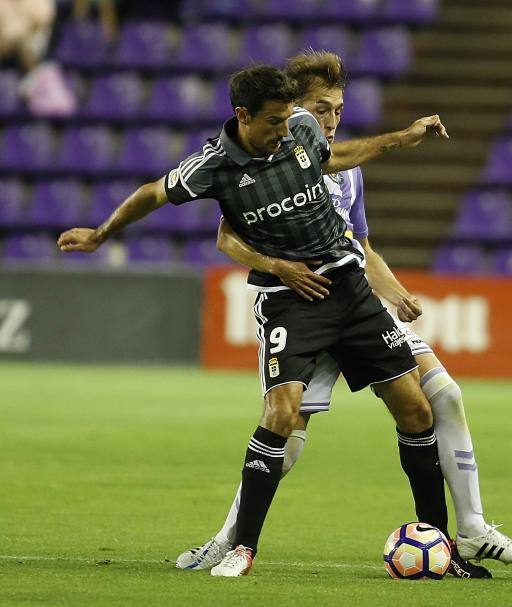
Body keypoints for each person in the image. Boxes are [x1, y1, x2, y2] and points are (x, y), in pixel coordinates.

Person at [57, 63, 454, 578]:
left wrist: (405, 136)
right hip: (287, 299)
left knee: (417, 409)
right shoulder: (213, 166)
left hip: (349, 288)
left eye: (288, 119)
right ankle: (242, 548)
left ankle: (443, 545)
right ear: (242, 116)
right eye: (272, 122)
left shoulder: (301, 128)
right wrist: (101, 234)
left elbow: (339, 157)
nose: (285, 131)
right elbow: (153, 193)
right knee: (282, 415)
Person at [175, 51, 512, 578]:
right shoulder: (272, 162)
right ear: (291, 109)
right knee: (287, 434)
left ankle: (470, 530)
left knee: (441, 396)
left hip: (355, 301)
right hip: (299, 308)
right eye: (322, 109)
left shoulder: (349, 173)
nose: (333, 119)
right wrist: (279, 268)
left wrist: (395, 293)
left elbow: (360, 247)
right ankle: (228, 539)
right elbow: (226, 236)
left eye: (339, 109)